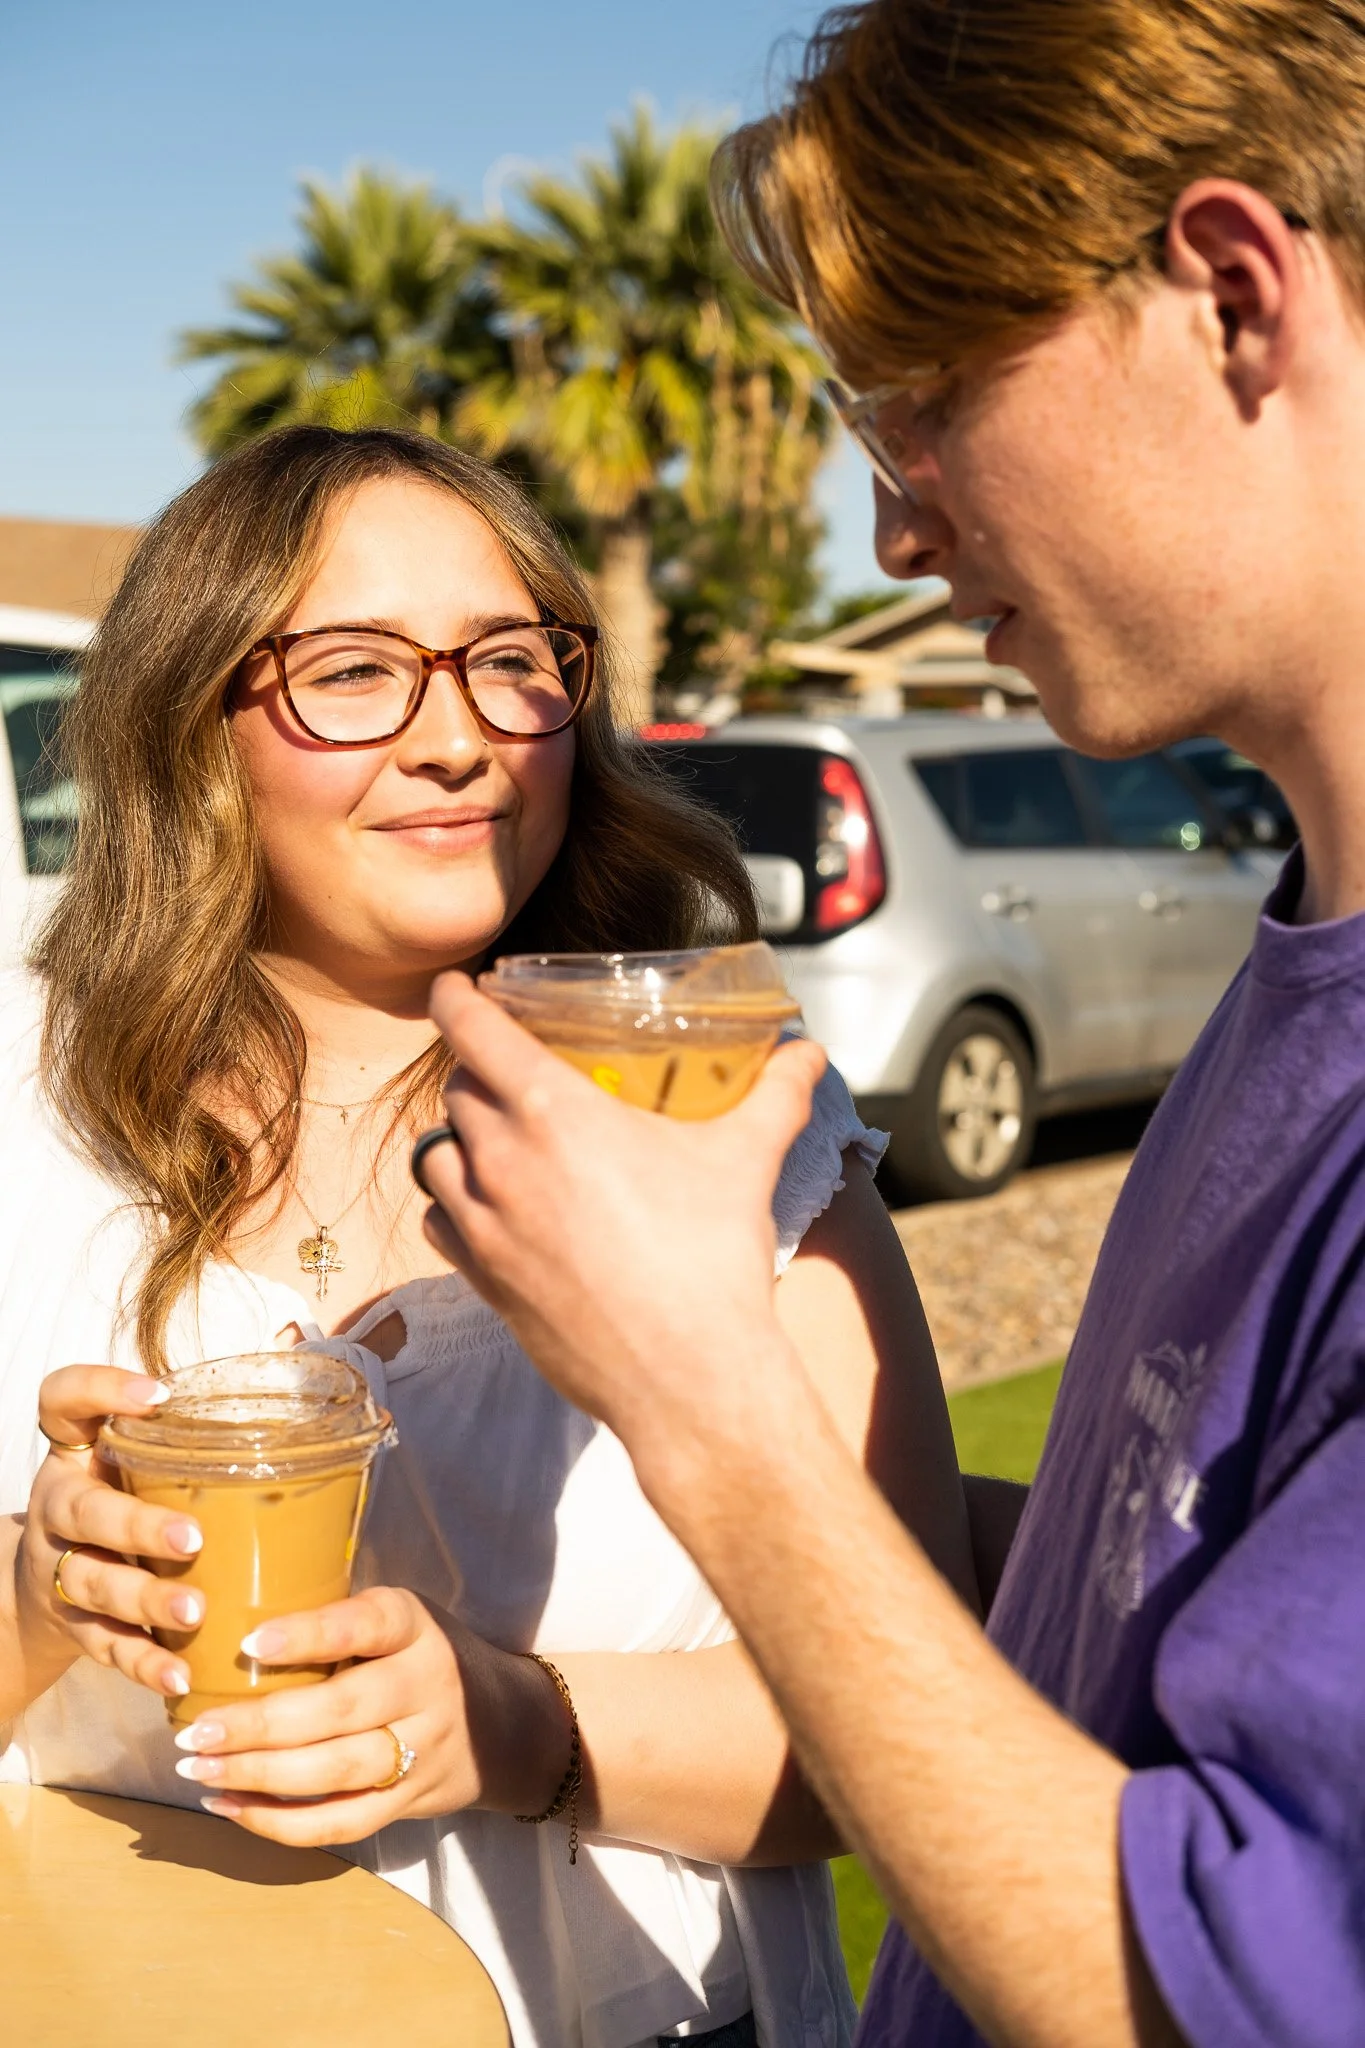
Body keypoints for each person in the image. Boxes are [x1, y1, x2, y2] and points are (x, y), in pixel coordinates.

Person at [411, 5, 1365, 2046]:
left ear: (1230, 295)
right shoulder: (1303, 966)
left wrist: (710, 1403)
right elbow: (1177, 1586)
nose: (895, 535)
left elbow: (1200, 1997)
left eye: (922, 403)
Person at [0, 424, 978, 2047]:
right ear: (195, 720)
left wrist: (513, 1728)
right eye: (357, 671)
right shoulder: (28, 1115)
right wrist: (39, 1596)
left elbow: (914, 1731)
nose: (458, 738)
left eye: (512, 665)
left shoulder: (733, 1116)